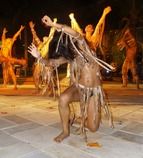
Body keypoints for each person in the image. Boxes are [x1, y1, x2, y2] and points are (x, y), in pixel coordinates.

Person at [28, 9, 114, 143]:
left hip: (94, 92)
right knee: (63, 99)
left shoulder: (83, 46)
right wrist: (39, 57)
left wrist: (53, 25)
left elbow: (74, 32)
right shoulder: (70, 56)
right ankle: (65, 131)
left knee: (93, 128)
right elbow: (51, 63)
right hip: (79, 88)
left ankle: (82, 120)